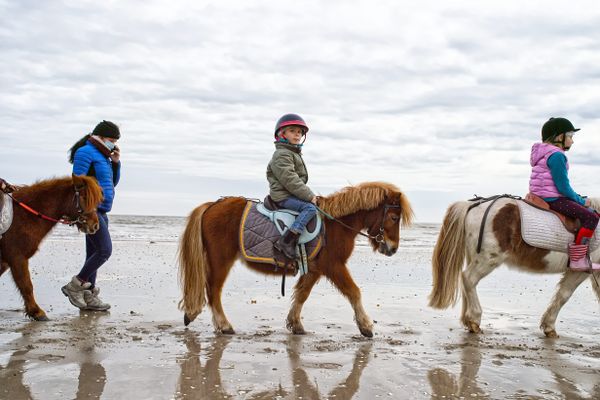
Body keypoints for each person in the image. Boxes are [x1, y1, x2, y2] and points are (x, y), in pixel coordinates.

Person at [61, 120, 122, 310]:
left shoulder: (104, 156)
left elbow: (113, 182)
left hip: (103, 210)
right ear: (100, 137)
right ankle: (75, 285)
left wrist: (116, 163)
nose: (113, 143)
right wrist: (82, 211)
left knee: (93, 253)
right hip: (91, 210)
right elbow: (77, 182)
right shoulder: (85, 152)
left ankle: (89, 295)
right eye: (111, 139)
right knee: (104, 251)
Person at [529, 117, 599, 271]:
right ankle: (578, 260)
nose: (572, 141)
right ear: (559, 137)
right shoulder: (557, 156)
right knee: (591, 217)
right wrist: (580, 201)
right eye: (570, 136)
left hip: (539, 194)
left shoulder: (542, 153)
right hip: (553, 198)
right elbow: (563, 188)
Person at [266, 113, 318, 260]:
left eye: (300, 132)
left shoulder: (292, 153)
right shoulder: (282, 154)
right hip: (283, 195)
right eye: (292, 131)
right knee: (309, 208)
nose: (297, 135)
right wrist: (310, 196)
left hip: (291, 193)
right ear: (282, 134)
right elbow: (290, 179)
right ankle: (287, 240)